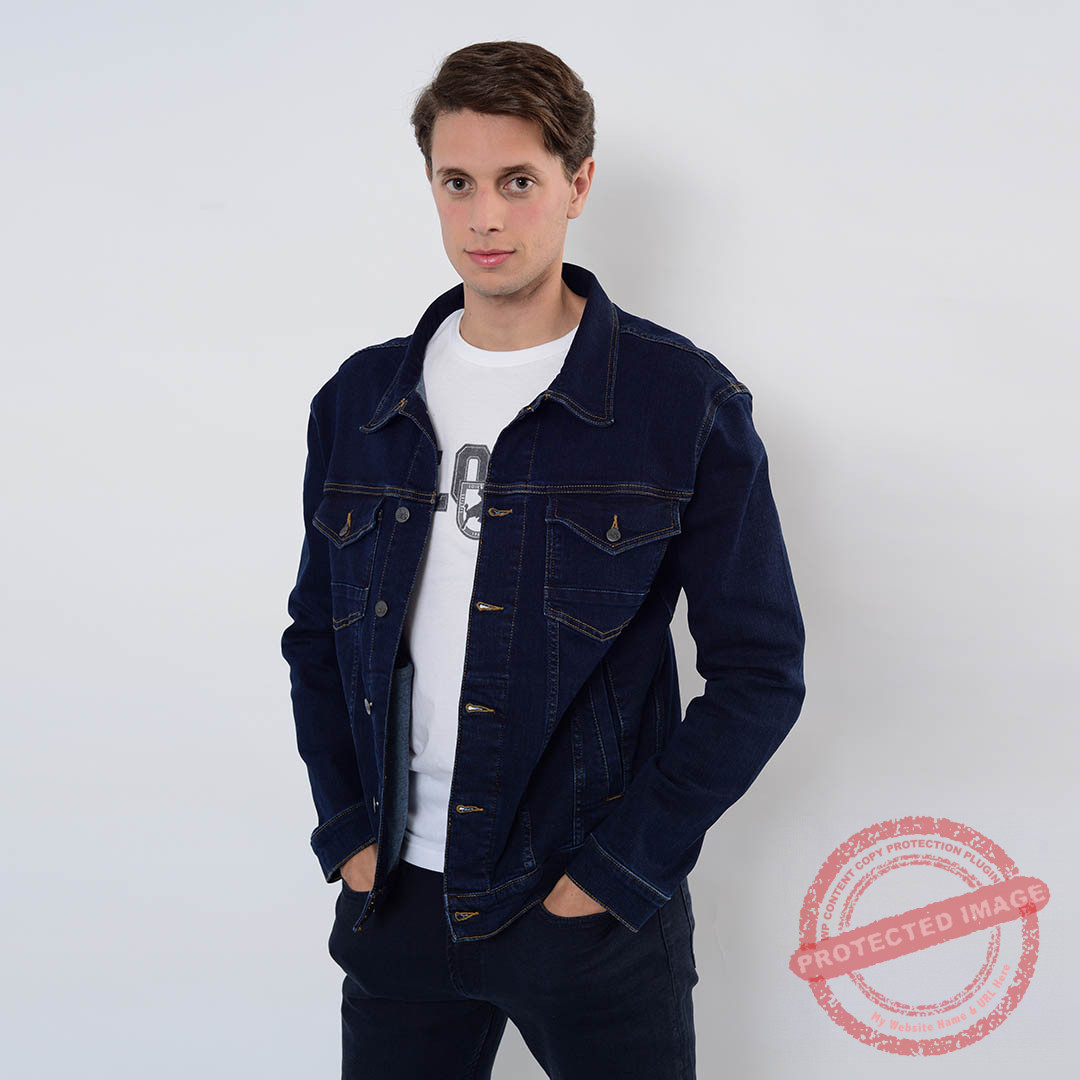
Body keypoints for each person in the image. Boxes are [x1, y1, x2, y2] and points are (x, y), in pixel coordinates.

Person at [280, 38, 806, 1080]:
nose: (485, 216)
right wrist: (349, 836)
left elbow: (759, 674)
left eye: (518, 181)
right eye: (458, 183)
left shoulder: (680, 403)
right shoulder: (361, 400)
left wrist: (614, 875)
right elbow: (315, 638)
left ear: (578, 184)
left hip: (584, 916)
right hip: (396, 906)